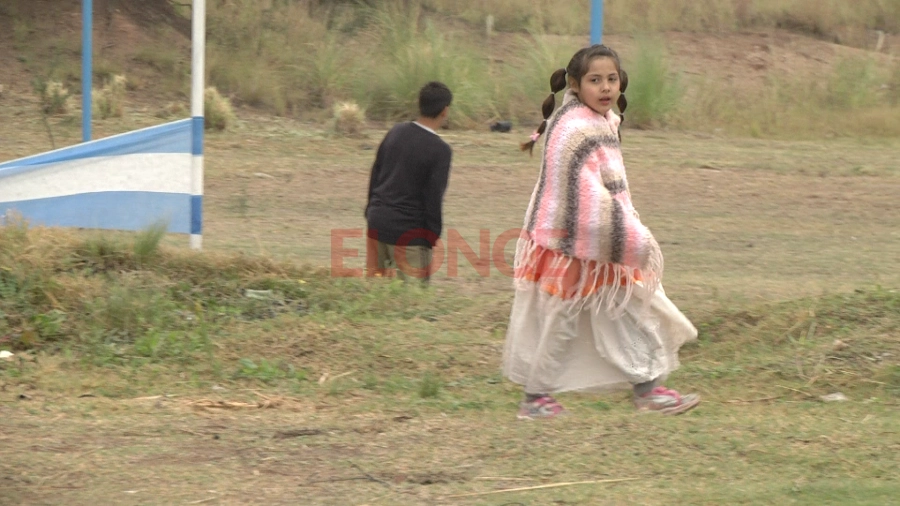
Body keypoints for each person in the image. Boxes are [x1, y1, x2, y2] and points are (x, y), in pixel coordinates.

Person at [503, 45, 700, 420]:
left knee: (629, 311)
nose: (606, 87)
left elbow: (611, 187)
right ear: (575, 84)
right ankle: (535, 397)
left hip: (605, 246)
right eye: (595, 80)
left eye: (611, 79)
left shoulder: (603, 122)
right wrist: (626, 233)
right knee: (559, 321)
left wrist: (620, 230)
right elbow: (580, 192)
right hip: (568, 246)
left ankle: (648, 388)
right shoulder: (572, 127)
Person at [364, 81, 453, 284]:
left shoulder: (395, 132)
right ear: (445, 111)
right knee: (413, 304)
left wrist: (370, 211)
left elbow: (375, 174)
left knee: (374, 297)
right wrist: (431, 236)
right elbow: (433, 197)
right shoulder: (440, 150)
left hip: (377, 224)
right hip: (409, 234)